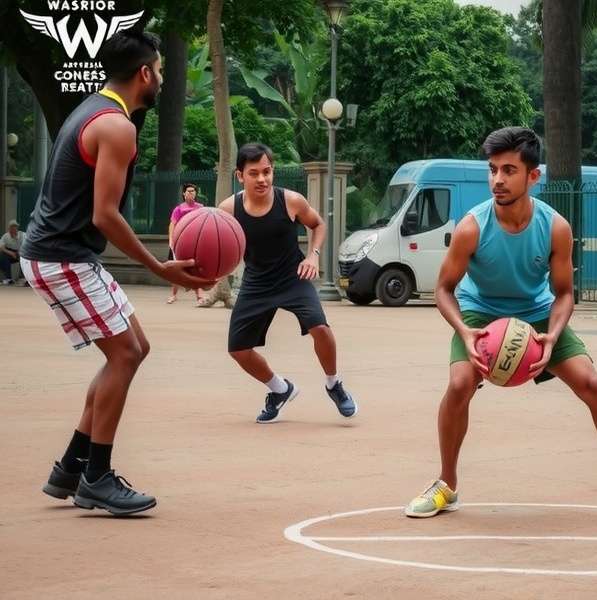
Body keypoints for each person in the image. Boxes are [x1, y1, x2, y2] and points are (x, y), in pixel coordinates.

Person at [404, 127, 597, 525]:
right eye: (493, 169)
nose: (497, 179)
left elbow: (565, 293)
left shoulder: (555, 227)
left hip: (537, 312)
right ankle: (446, 485)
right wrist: (464, 332)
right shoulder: (471, 228)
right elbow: (444, 290)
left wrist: (551, 336)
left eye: (509, 170)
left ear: (534, 176)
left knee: (593, 385)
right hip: (481, 312)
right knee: (460, 385)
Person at [20, 31, 215, 516]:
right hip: (60, 256)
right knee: (124, 354)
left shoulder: (93, 109)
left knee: (133, 349)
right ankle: (97, 478)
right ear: (145, 73)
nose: (163, 80)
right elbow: (105, 214)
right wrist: (158, 265)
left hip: (64, 252)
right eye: (161, 71)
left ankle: (72, 465)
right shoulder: (117, 127)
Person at [220, 143, 357, 423]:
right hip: (256, 282)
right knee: (238, 350)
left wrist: (313, 257)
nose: (262, 179)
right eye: (254, 173)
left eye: (267, 171)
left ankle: (334, 384)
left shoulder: (291, 200)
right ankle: (280, 389)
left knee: (320, 327)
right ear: (239, 176)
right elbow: (218, 243)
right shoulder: (228, 209)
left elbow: (318, 224)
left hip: (293, 277)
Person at [166, 183, 204, 305]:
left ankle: (199, 296)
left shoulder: (200, 208)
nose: (191, 193)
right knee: (176, 269)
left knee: (196, 269)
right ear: (183, 193)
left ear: (196, 193)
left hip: (195, 243)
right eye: (188, 191)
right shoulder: (179, 209)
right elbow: (173, 224)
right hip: (180, 243)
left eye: (193, 191)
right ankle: (173, 295)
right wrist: (171, 240)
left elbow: (204, 224)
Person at [0, 219, 25, 284]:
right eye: (12, 227)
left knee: (24, 258)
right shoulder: (6, 236)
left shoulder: (22, 235)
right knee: (2, 256)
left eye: (15, 226)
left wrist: (20, 252)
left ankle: (22, 278)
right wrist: (10, 253)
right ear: (9, 228)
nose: (13, 228)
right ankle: (9, 278)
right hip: (10, 252)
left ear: (17, 228)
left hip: (21, 251)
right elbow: (1, 247)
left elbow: (27, 245)